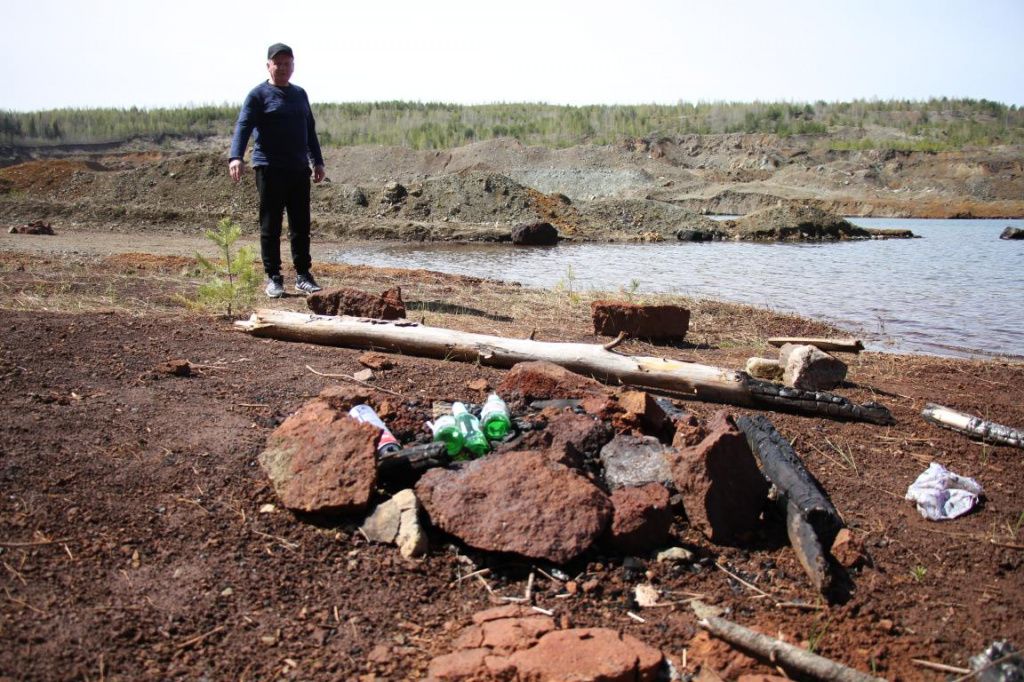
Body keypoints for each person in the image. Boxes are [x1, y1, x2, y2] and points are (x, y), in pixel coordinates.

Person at [229, 42, 326, 297]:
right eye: (278, 63)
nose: (282, 68)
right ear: (268, 66)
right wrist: (236, 157)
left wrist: (317, 161)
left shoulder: (300, 94)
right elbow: (243, 126)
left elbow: (309, 130)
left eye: (287, 63)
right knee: (271, 226)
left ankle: (303, 275)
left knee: (300, 225)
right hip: (269, 168)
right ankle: (273, 277)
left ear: (293, 66)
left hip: (298, 169)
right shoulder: (258, 95)